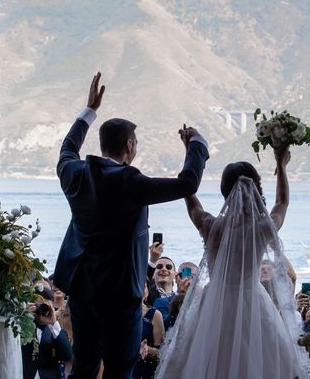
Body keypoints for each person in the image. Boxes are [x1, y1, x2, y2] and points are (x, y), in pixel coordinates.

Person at [53, 72, 209, 379]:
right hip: (121, 292)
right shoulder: (130, 181)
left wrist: (89, 110)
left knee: (84, 365)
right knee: (119, 369)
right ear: (129, 145)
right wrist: (196, 144)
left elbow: (67, 148)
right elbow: (187, 182)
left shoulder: (73, 173)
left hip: (83, 287)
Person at [155, 146, 310, 379]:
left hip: (213, 304)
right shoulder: (261, 229)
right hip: (253, 304)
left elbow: (192, 204)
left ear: (224, 191)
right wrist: (281, 165)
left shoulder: (211, 227)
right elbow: (282, 202)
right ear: (255, 189)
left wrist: (190, 160)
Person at [22, 288, 73, 379]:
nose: (43, 311)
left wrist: (53, 323)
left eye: (47, 308)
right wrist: (24, 316)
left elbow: (67, 355)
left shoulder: (55, 330)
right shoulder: (22, 327)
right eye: (39, 306)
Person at [132, 283, 165, 379]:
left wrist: (148, 349)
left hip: (144, 372)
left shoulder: (154, 315)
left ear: (147, 293)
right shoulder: (115, 315)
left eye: (143, 286)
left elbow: (162, 353)